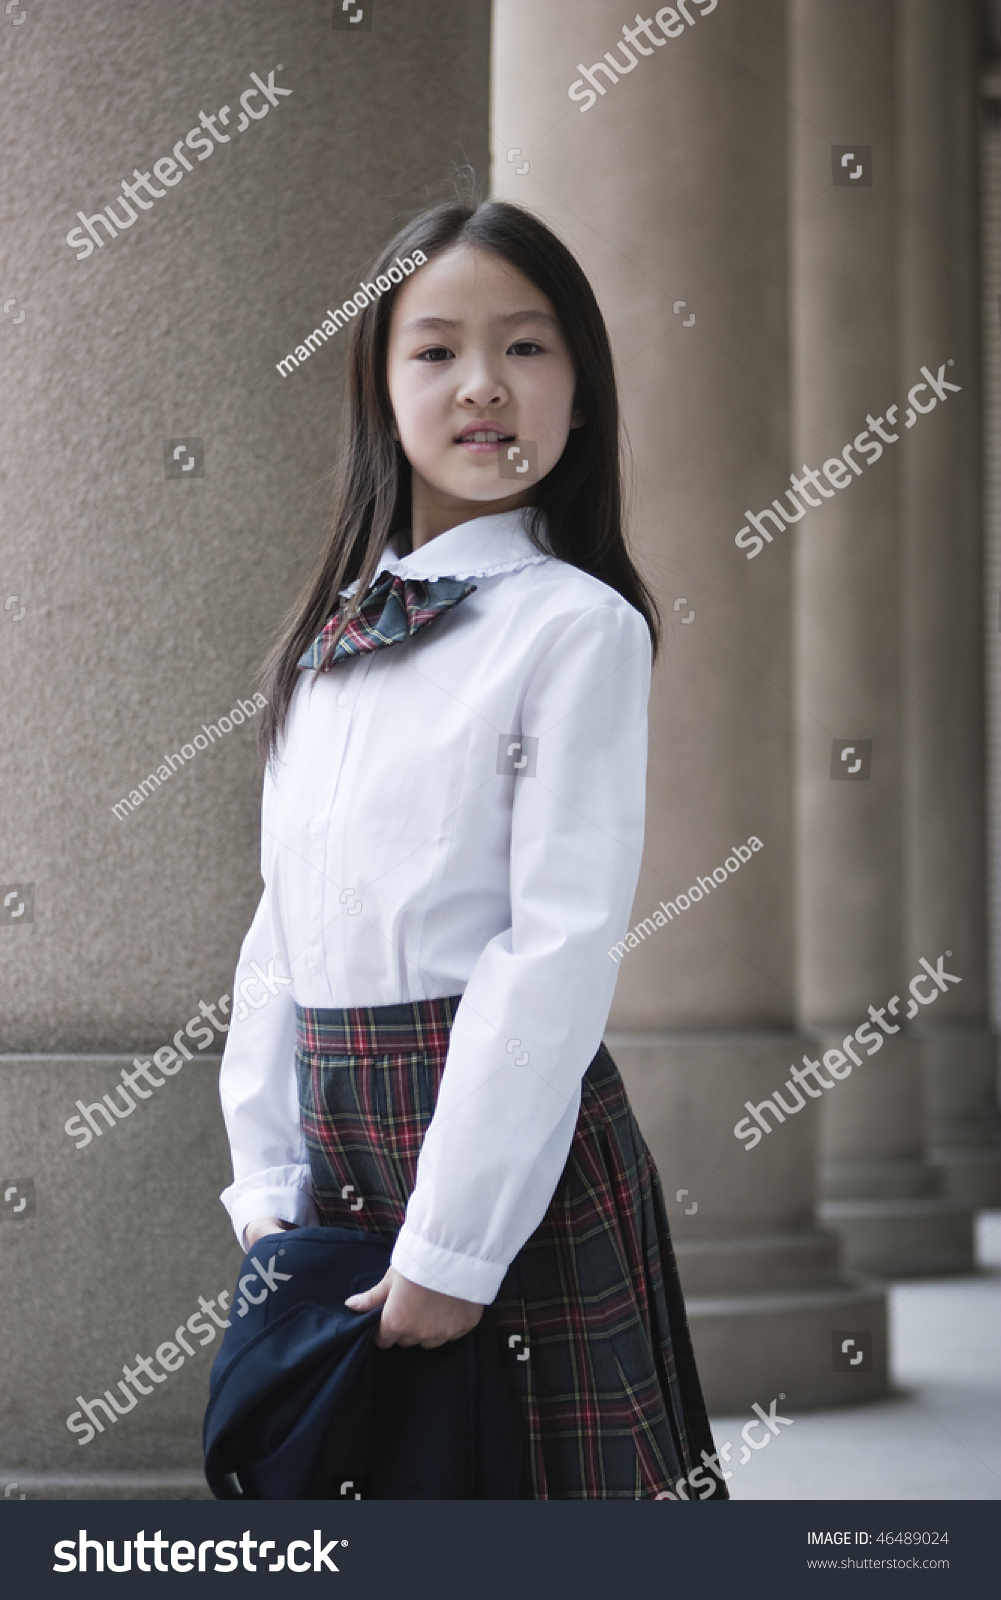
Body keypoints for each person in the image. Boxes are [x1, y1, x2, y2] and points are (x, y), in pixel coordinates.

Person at [217, 191, 726, 1500]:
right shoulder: (326, 640)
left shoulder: (572, 627)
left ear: (581, 388)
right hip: (333, 1144)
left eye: (527, 345)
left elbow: (552, 946)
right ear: (378, 385)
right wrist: (264, 1181)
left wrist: (453, 1243)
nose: (482, 384)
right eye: (434, 349)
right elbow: (282, 922)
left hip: (498, 1140)